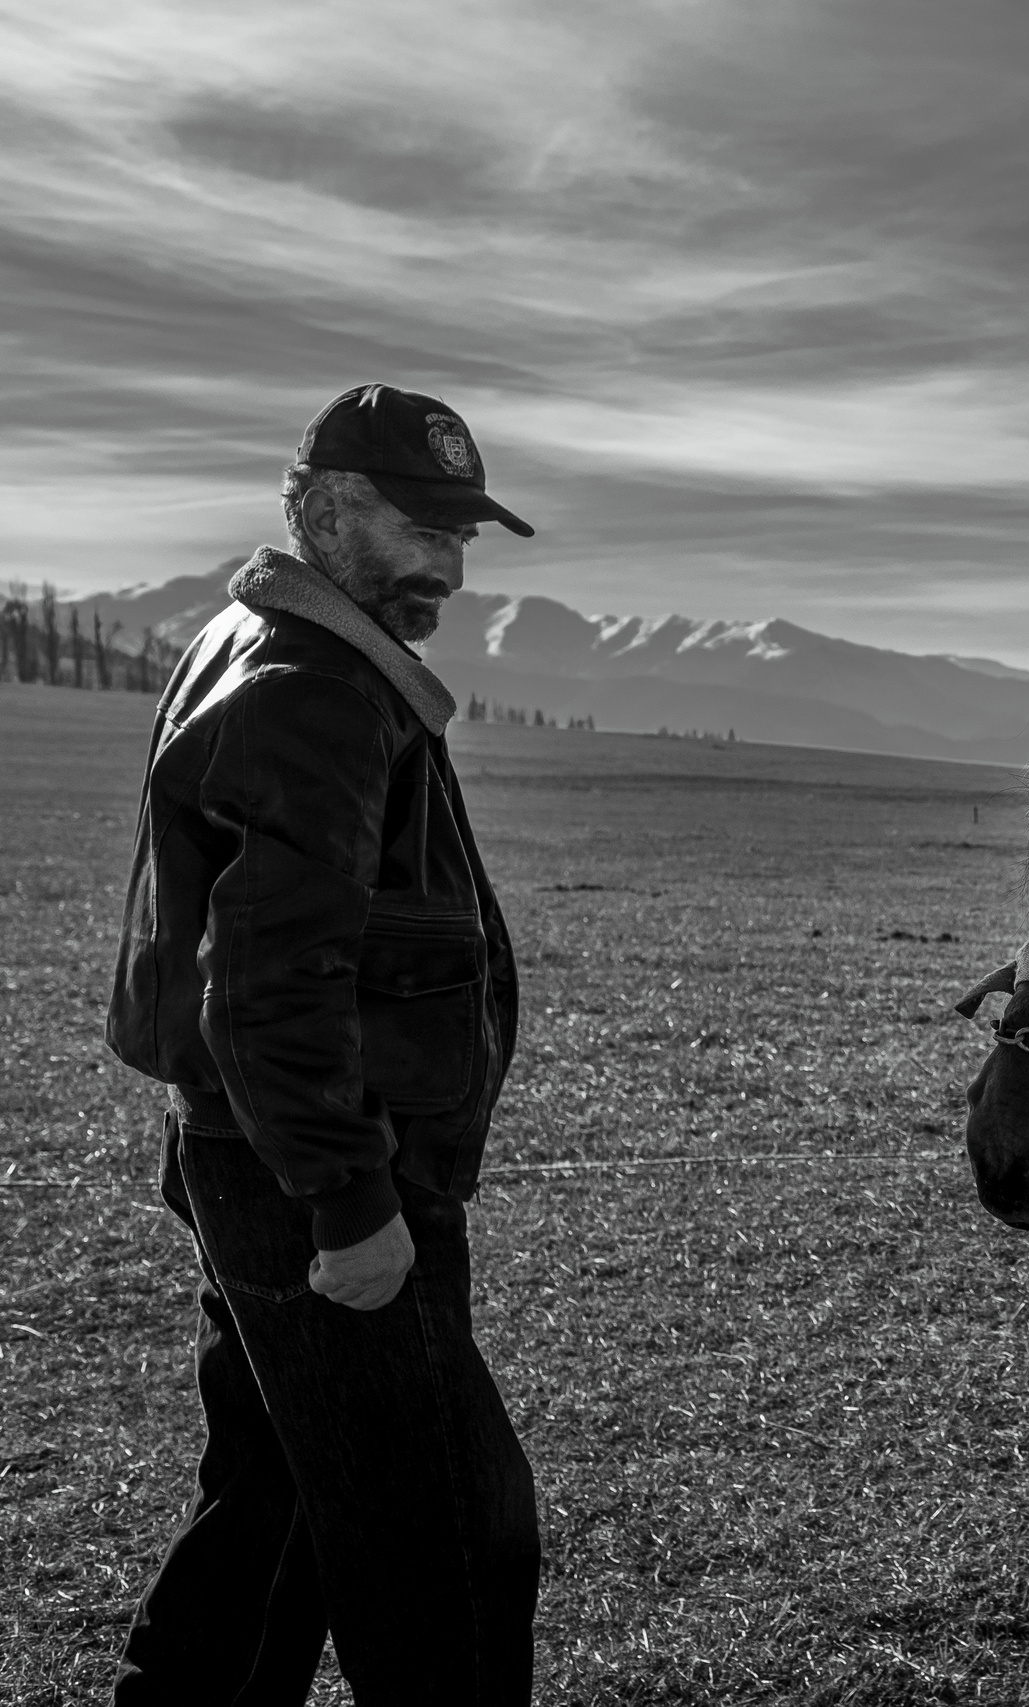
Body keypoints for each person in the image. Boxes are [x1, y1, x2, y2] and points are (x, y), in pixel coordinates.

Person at [107, 384, 541, 1704]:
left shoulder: (262, 642)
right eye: (425, 531)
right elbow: (270, 984)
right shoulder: (312, 685)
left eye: (465, 539)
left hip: (262, 1160)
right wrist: (354, 1207)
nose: (452, 570)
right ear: (331, 511)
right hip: (328, 1182)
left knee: (277, 1511)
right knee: (454, 1548)